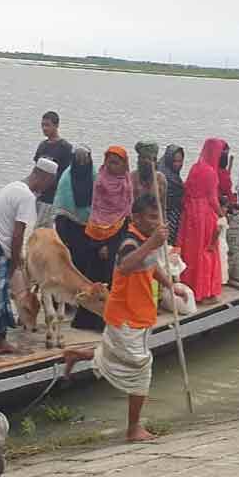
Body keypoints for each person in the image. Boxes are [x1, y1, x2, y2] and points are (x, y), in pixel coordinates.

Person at [63, 194, 184, 442]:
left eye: (157, 217)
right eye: (150, 217)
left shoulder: (143, 240)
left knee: (115, 352)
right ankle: (134, 428)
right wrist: (152, 242)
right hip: (127, 317)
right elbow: (126, 265)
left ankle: (77, 354)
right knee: (142, 369)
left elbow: (151, 266)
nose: (155, 222)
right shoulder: (129, 242)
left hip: (134, 314)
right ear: (136, 218)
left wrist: (170, 285)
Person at [0, 158, 57, 355]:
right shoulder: (26, 196)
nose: (48, 188)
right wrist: (15, 262)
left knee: (1, 299)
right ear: (43, 177)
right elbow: (18, 233)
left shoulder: (14, 186)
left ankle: (0, 341)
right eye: (49, 182)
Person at [75, 146, 133, 331]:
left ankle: (110, 318)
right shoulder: (100, 182)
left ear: (124, 165)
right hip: (97, 237)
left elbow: (126, 211)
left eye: (116, 163)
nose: (112, 166)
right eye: (109, 162)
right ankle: (88, 320)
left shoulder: (126, 183)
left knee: (115, 279)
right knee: (95, 281)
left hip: (119, 235)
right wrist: (101, 244)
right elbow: (98, 212)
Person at [179, 139, 227, 303]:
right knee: (207, 251)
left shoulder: (195, 167)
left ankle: (190, 286)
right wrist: (222, 215)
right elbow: (213, 200)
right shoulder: (211, 172)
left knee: (191, 251)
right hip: (204, 216)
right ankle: (205, 292)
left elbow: (187, 188)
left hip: (190, 214)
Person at [53, 145, 97, 274]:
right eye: (79, 160)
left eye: (85, 160)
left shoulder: (95, 178)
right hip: (70, 233)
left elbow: (101, 207)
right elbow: (60, 214)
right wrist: (63, 241)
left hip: (92, 233)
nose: (82, 164)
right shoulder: (66, 180)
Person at [32, 111, 72, 228]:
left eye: (47, 125)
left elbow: (67, 175)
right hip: (39, 195)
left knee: (44, 228)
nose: (44, 128)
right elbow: (35, 171)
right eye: (42, 125)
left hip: (53, 197)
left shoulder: (65, 147)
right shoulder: (42, 146)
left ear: (56, 125)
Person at [158, 144, 184, 244]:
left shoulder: (174, 176)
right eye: (175, 161)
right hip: (165, 217)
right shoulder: (163, 176)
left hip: (173, 216)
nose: (178, 164)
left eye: (180, 161)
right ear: (169, 160)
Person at [131, 141, 167, 212]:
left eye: (149, 158)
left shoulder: (160, 179)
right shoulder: (132, 178)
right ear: (139, 159)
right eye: (143, 157)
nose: (146, 161)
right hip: (136, 219)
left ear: (155, 161)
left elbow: (163, 206)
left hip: (155, 220)